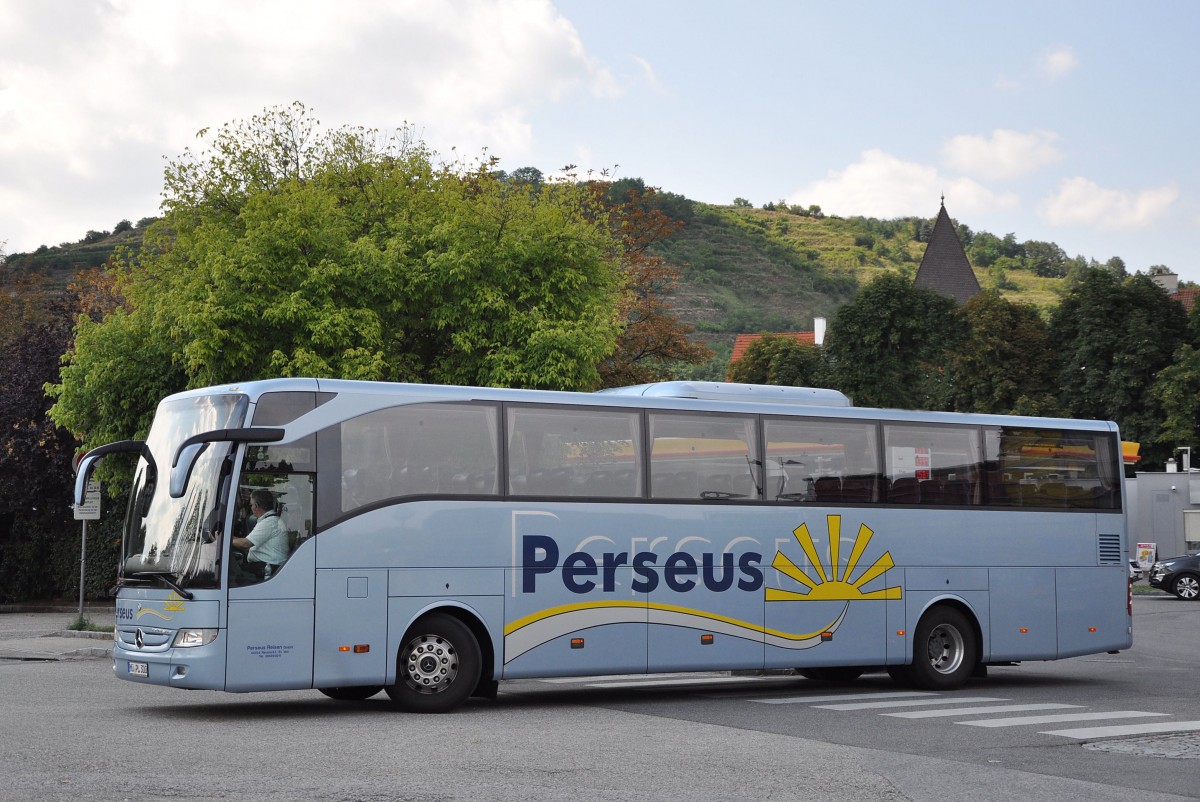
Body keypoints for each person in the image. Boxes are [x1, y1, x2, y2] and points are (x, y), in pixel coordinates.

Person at [231, 489, 289, 579]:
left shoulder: (269, 523)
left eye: (251, 505)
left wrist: (224, 541)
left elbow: (245, 544)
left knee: (232, 575)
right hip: (264, 567)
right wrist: (226, 537)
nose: (250, 508)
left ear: (256, 506)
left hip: (267, 569)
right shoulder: (269, 520)